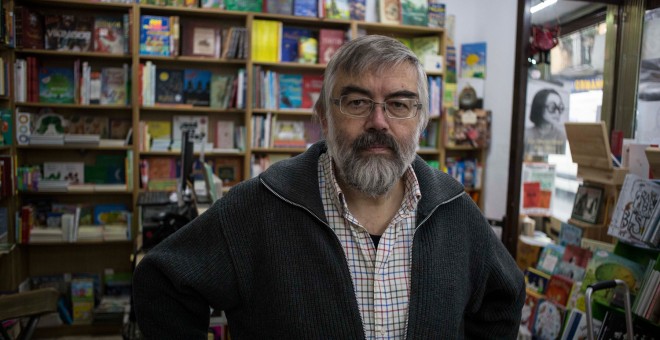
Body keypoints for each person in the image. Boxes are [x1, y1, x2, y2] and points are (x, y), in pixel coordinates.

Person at [133, 35, 525, 338]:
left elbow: (504, 297)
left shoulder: (454, 209)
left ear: (421, 120)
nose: (378, 121)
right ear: (323, 115)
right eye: (356, 103)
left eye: (400, 104)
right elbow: (162, 280)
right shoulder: (258, 206)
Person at [524, 88, 567, 157]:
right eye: (552, 107)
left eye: (560, 107)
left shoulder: (561, 136)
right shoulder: (526, 134)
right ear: (539, 108)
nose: (557, 112)